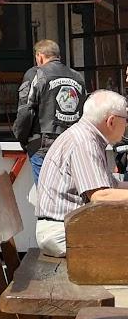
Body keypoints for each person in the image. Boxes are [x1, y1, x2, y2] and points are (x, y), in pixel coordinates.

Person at [34, 89, 128, 256]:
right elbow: (100, 196)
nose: (126, 125)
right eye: (125, 120)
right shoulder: (85, 141)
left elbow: (112, 187)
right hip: (61, 232)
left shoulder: (86, 136)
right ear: (111, 121)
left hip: (67, 227)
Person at [13, 39, 85, 180]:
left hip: (43, 143)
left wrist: (21, 136)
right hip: (72, 142)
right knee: (69, 191)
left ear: (39, 56)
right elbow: (85, 110)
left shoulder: (36, 74)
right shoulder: (78, 77)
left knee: (47, 193)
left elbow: (26, 110)